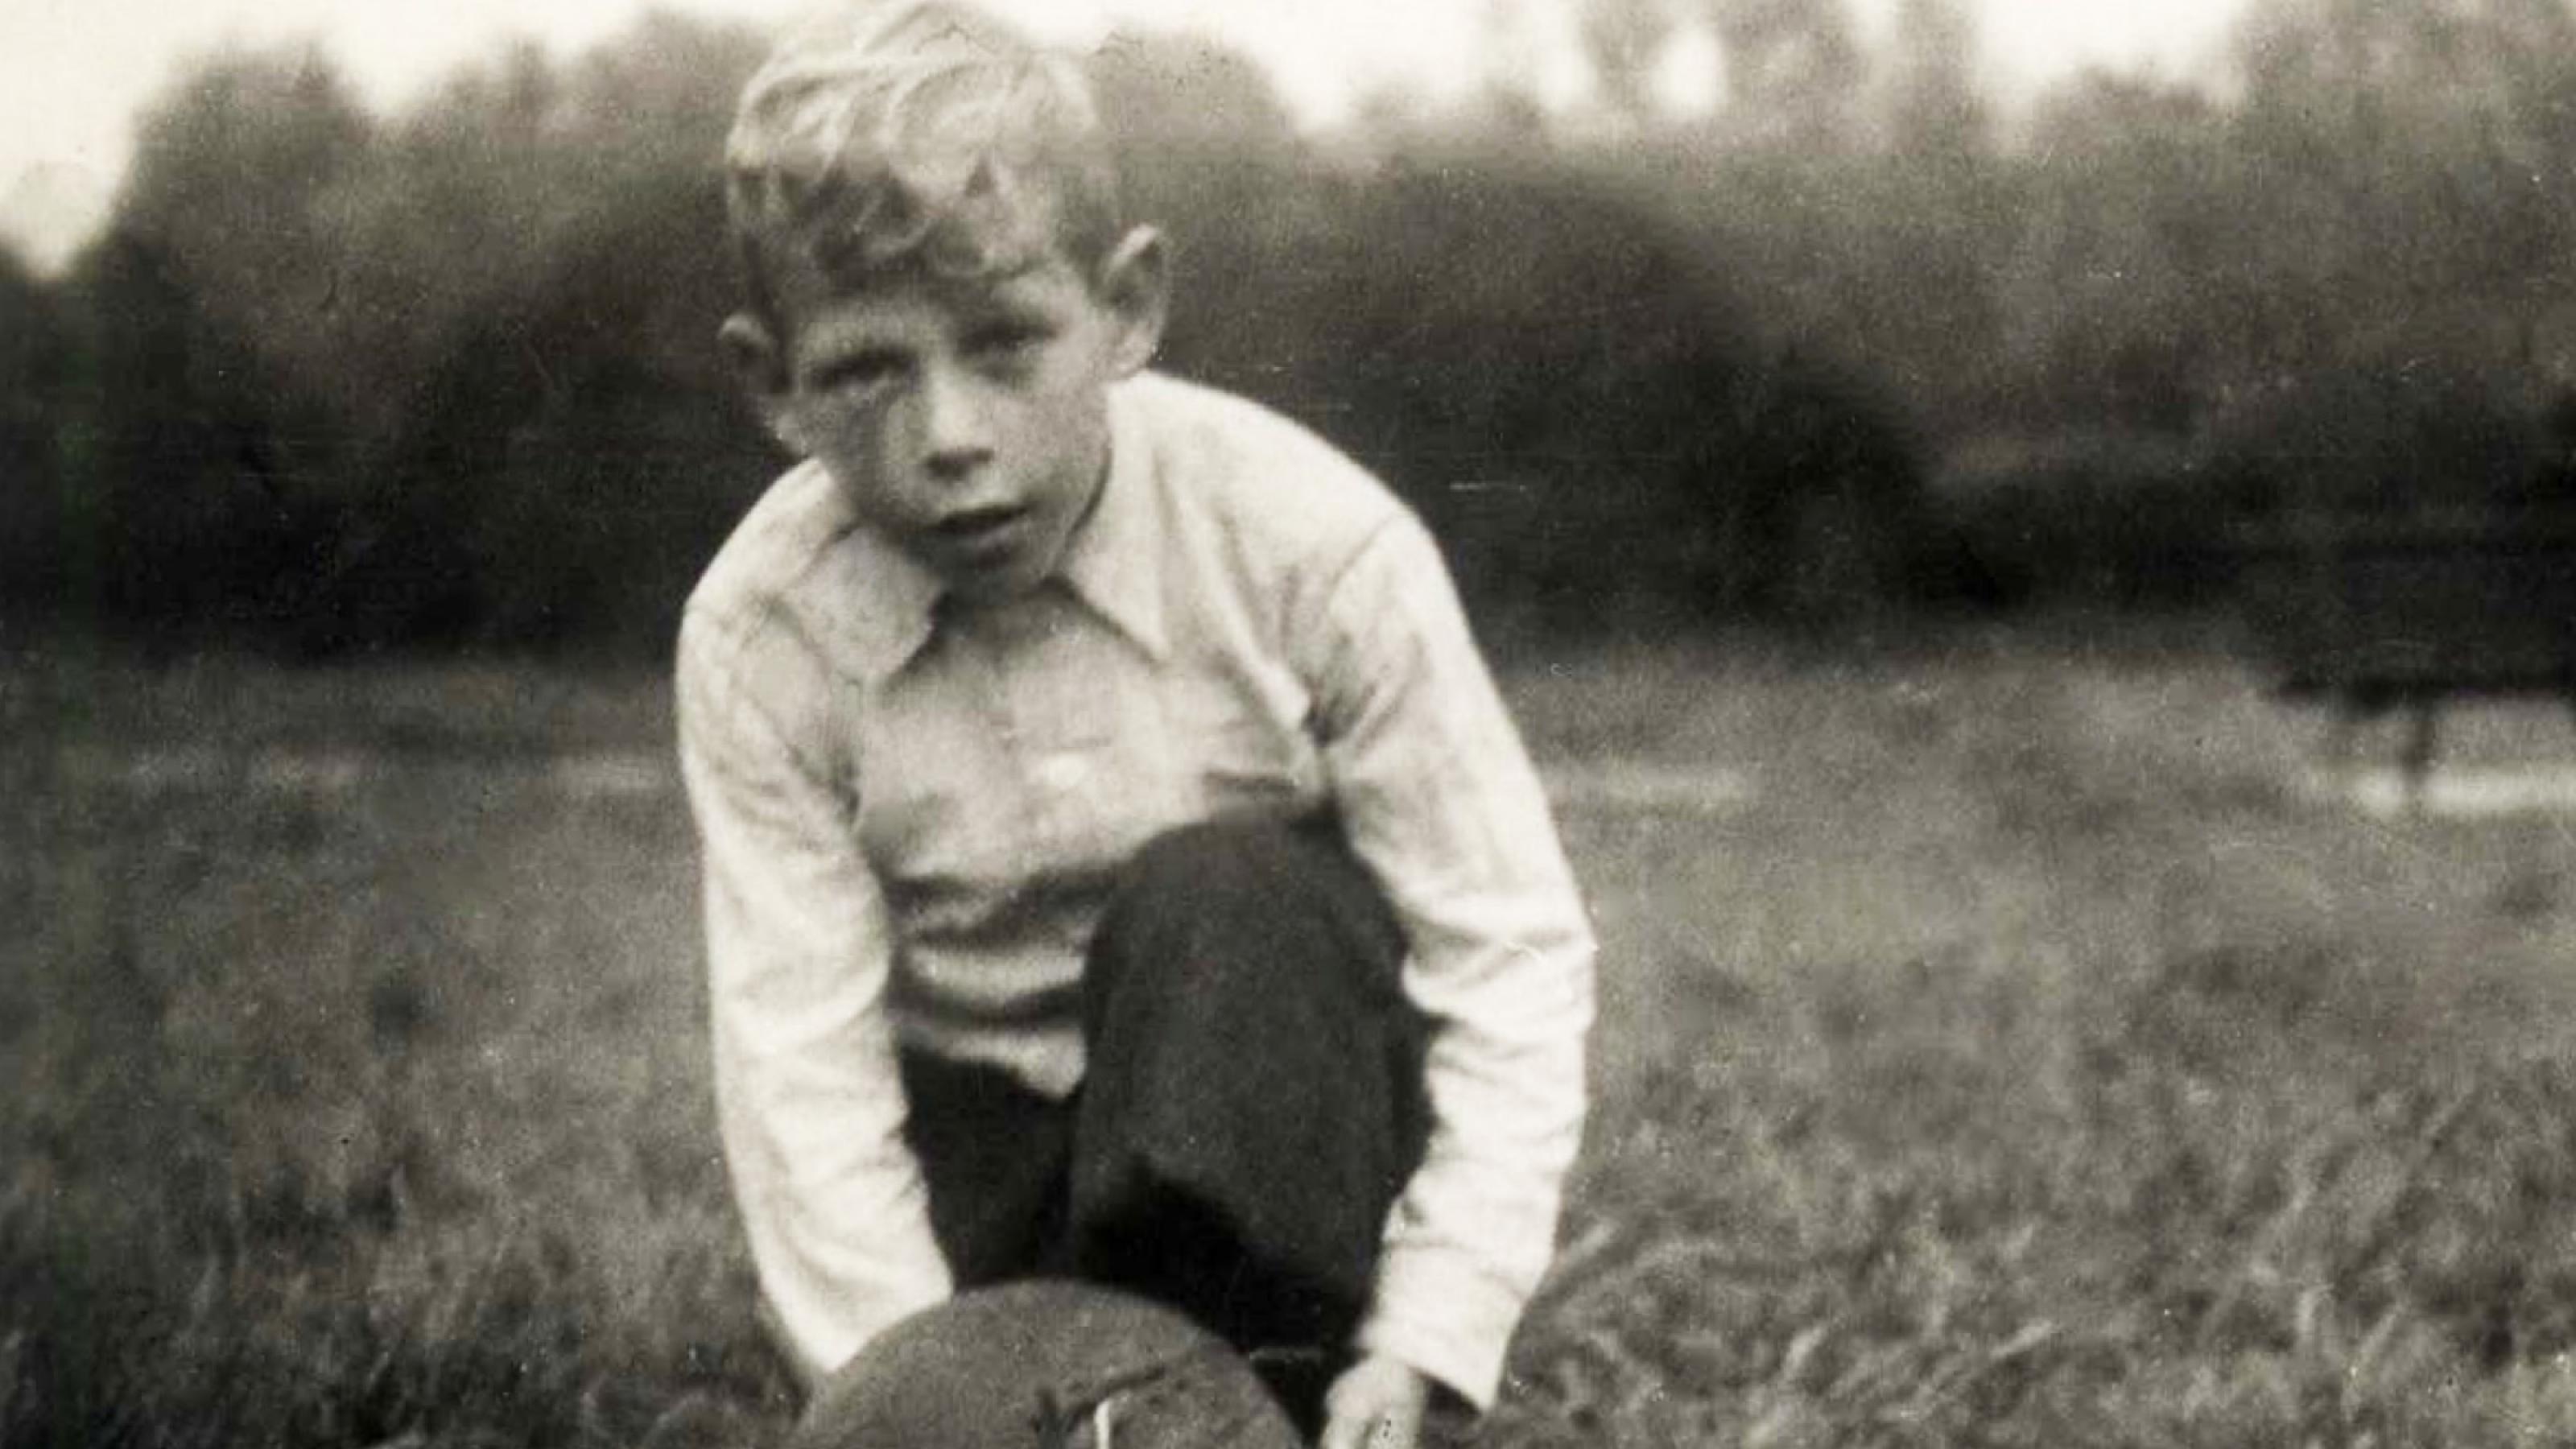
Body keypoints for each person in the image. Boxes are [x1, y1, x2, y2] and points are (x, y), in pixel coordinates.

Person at [673, 5, 1596, 1446]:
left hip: (1272, 1165)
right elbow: (801, 1065)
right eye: (867, 370)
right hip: (984, 1190)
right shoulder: (764, 635)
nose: (950, 436)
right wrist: (906, 1399)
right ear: (771, 385)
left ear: (1128, 309)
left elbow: (1509, 952)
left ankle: (1249, 1408)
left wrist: (1431, 1331)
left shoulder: (1312, 544)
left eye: (1007, 345)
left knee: (1226, 893)